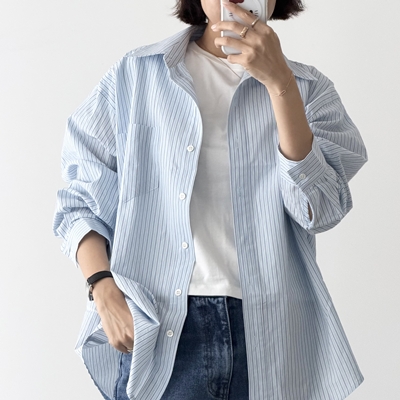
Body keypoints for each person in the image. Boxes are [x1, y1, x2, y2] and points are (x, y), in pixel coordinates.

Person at [52, 0, 367, 399]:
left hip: (270, 337)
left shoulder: (309, 90)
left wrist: (281, 85)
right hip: (162, 329)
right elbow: (80, 198)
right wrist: (102, 287)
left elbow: (319, 210)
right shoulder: (136, 75)